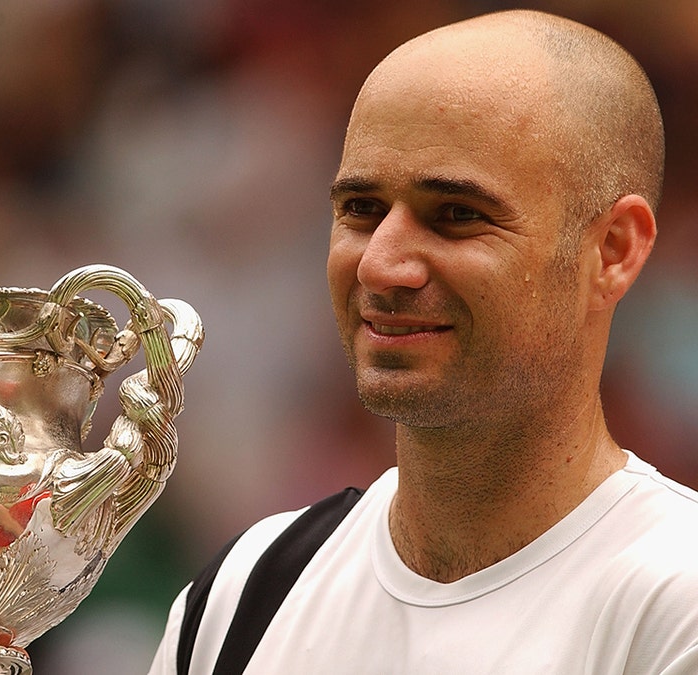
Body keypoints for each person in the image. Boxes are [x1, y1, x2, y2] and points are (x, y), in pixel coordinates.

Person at [149, 9, 698, 674]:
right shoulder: (245, 591)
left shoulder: (676, 599)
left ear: (612, 250)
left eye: (456, 215)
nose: (381, 264)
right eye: (361, 208)